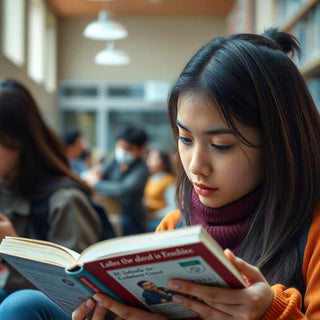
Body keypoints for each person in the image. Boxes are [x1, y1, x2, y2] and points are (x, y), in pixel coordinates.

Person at [72, 28, 320, 320]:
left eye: (221, 145)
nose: (195, 165)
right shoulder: (173, 228)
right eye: (185, 139)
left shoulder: (312, 234)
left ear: (279, 143)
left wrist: (272, 314)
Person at [0, 79, 104, 319]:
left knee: (20, 305)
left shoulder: (65, 201)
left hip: (69, 311)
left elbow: (78, 296)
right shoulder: (6, 188)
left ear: (15, 139)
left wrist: (14, 249)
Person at [86, 125, 149, 236]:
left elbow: (123, 190)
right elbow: (99, 174)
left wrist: (96, 183)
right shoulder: (114, 161)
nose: (123, 151)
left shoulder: (141, 169)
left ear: (141, 150)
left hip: (132, 220)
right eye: (120, 146)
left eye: (128, 148)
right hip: (110, 212)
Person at [143, 148, 176, 231]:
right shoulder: (149, 179)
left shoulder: (168, 180)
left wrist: (155, 215)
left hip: (160, 220)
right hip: (148, 218)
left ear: (164, 162)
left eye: (155, 159)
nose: (150, 162)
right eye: (149, 158)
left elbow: (173, 207)